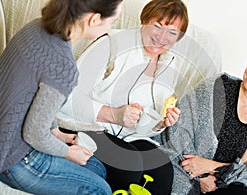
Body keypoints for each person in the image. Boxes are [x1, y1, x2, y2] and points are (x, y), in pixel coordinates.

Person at [56, 0, 189, 194]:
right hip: (86, 126)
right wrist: (114, 115)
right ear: (144, 21)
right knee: (128, 165)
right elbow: (66, 97)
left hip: (130, 138)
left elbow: (146, 126)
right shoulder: (111, 43)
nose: (162, 38)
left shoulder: (170, 65)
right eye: (157, 27)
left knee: (163, 170)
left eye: (172, 33)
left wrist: (161, 123)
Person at [0, 0, 123, 194]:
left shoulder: (36, 26)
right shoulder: (63, 67)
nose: (111, 28)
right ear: (94, 19)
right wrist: (67, 152)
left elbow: (30, 100)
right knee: (101, 190)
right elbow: (34, 134)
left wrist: (57, 133)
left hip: (7, 133)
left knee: (96, 169)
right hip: (12, 156)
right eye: (112, 21)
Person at [158, 44, 247, 195]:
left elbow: (243, 169)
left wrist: (210, 167)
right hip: (184, 167)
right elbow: (180, 128)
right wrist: (201, 176)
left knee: (241, 192)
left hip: (225, 182)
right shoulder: (219, 87)